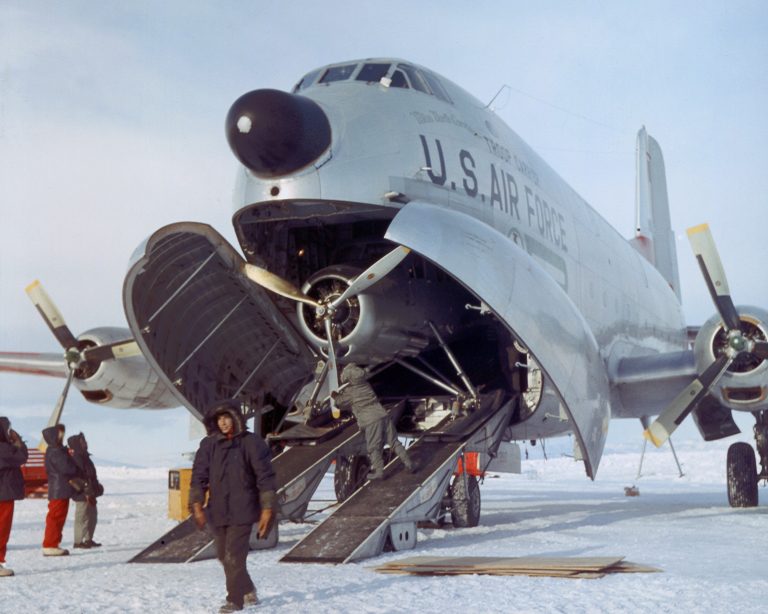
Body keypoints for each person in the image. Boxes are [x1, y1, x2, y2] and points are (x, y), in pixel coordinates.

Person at [190, 401, 277, 613]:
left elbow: (265, 478)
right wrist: (197, 505)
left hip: (244, 509)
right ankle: (247, 588)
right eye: (219, 419)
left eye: (227, 417)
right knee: (223, 555)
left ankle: (234, 600)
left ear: (236, 418)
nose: (223, 422)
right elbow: (198, 476)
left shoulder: (252, 443)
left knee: (233, 556)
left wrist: (267, 509)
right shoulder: (208, 445)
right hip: (218, 510)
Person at [332, 363, 415, 480]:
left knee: (373, 448)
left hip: (371, 421)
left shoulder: (350, 392)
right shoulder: (366, 385)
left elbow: (340, 403)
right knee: (394, 441)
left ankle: (379, 472)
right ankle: (409, 463)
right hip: (383, 415)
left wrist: (335, 396)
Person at [41, 424, 78, 556]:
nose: (62, 436)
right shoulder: (56, 451)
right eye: (60, 434)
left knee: (56, 517)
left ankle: (52, 543)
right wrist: (74, 465)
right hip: (59, 489)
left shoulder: (55, 450)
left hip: (59, 488)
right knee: (56, 517)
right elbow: (67, 468)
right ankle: (50, 544)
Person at [0, 417, 28, 577]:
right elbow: (22, 457)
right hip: (3, 494)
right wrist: (18, 442)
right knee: (2, 528)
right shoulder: (4, 448)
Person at [67, 432, 104, 549]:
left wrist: (96, 488)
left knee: (92, 516)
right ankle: (78, 541)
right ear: (77, 444)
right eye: (83, 441)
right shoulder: (76, 458)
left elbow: (91, 475)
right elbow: (77, 478)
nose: (86, 443)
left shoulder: (86, 457)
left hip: (90, 493)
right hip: (81, 494)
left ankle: (88, 539)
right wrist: (86, 491)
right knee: (82, 516)